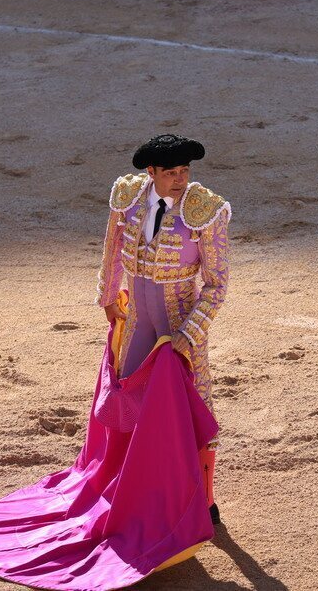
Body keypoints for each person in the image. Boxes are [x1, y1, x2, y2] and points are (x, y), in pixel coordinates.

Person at [94, 133, 231, 524]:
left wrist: (189, 335)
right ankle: (134, 485)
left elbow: (217, 284)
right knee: (130, 395)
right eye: (170, 172)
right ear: (151, 172)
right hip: (137, 318)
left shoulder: (207, 210)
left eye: (185, 170)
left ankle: (204, 499)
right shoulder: (128, 196)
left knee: (192, 405)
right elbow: (112, 248)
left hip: (178, 322)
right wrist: (107, 296)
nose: (180, 179)